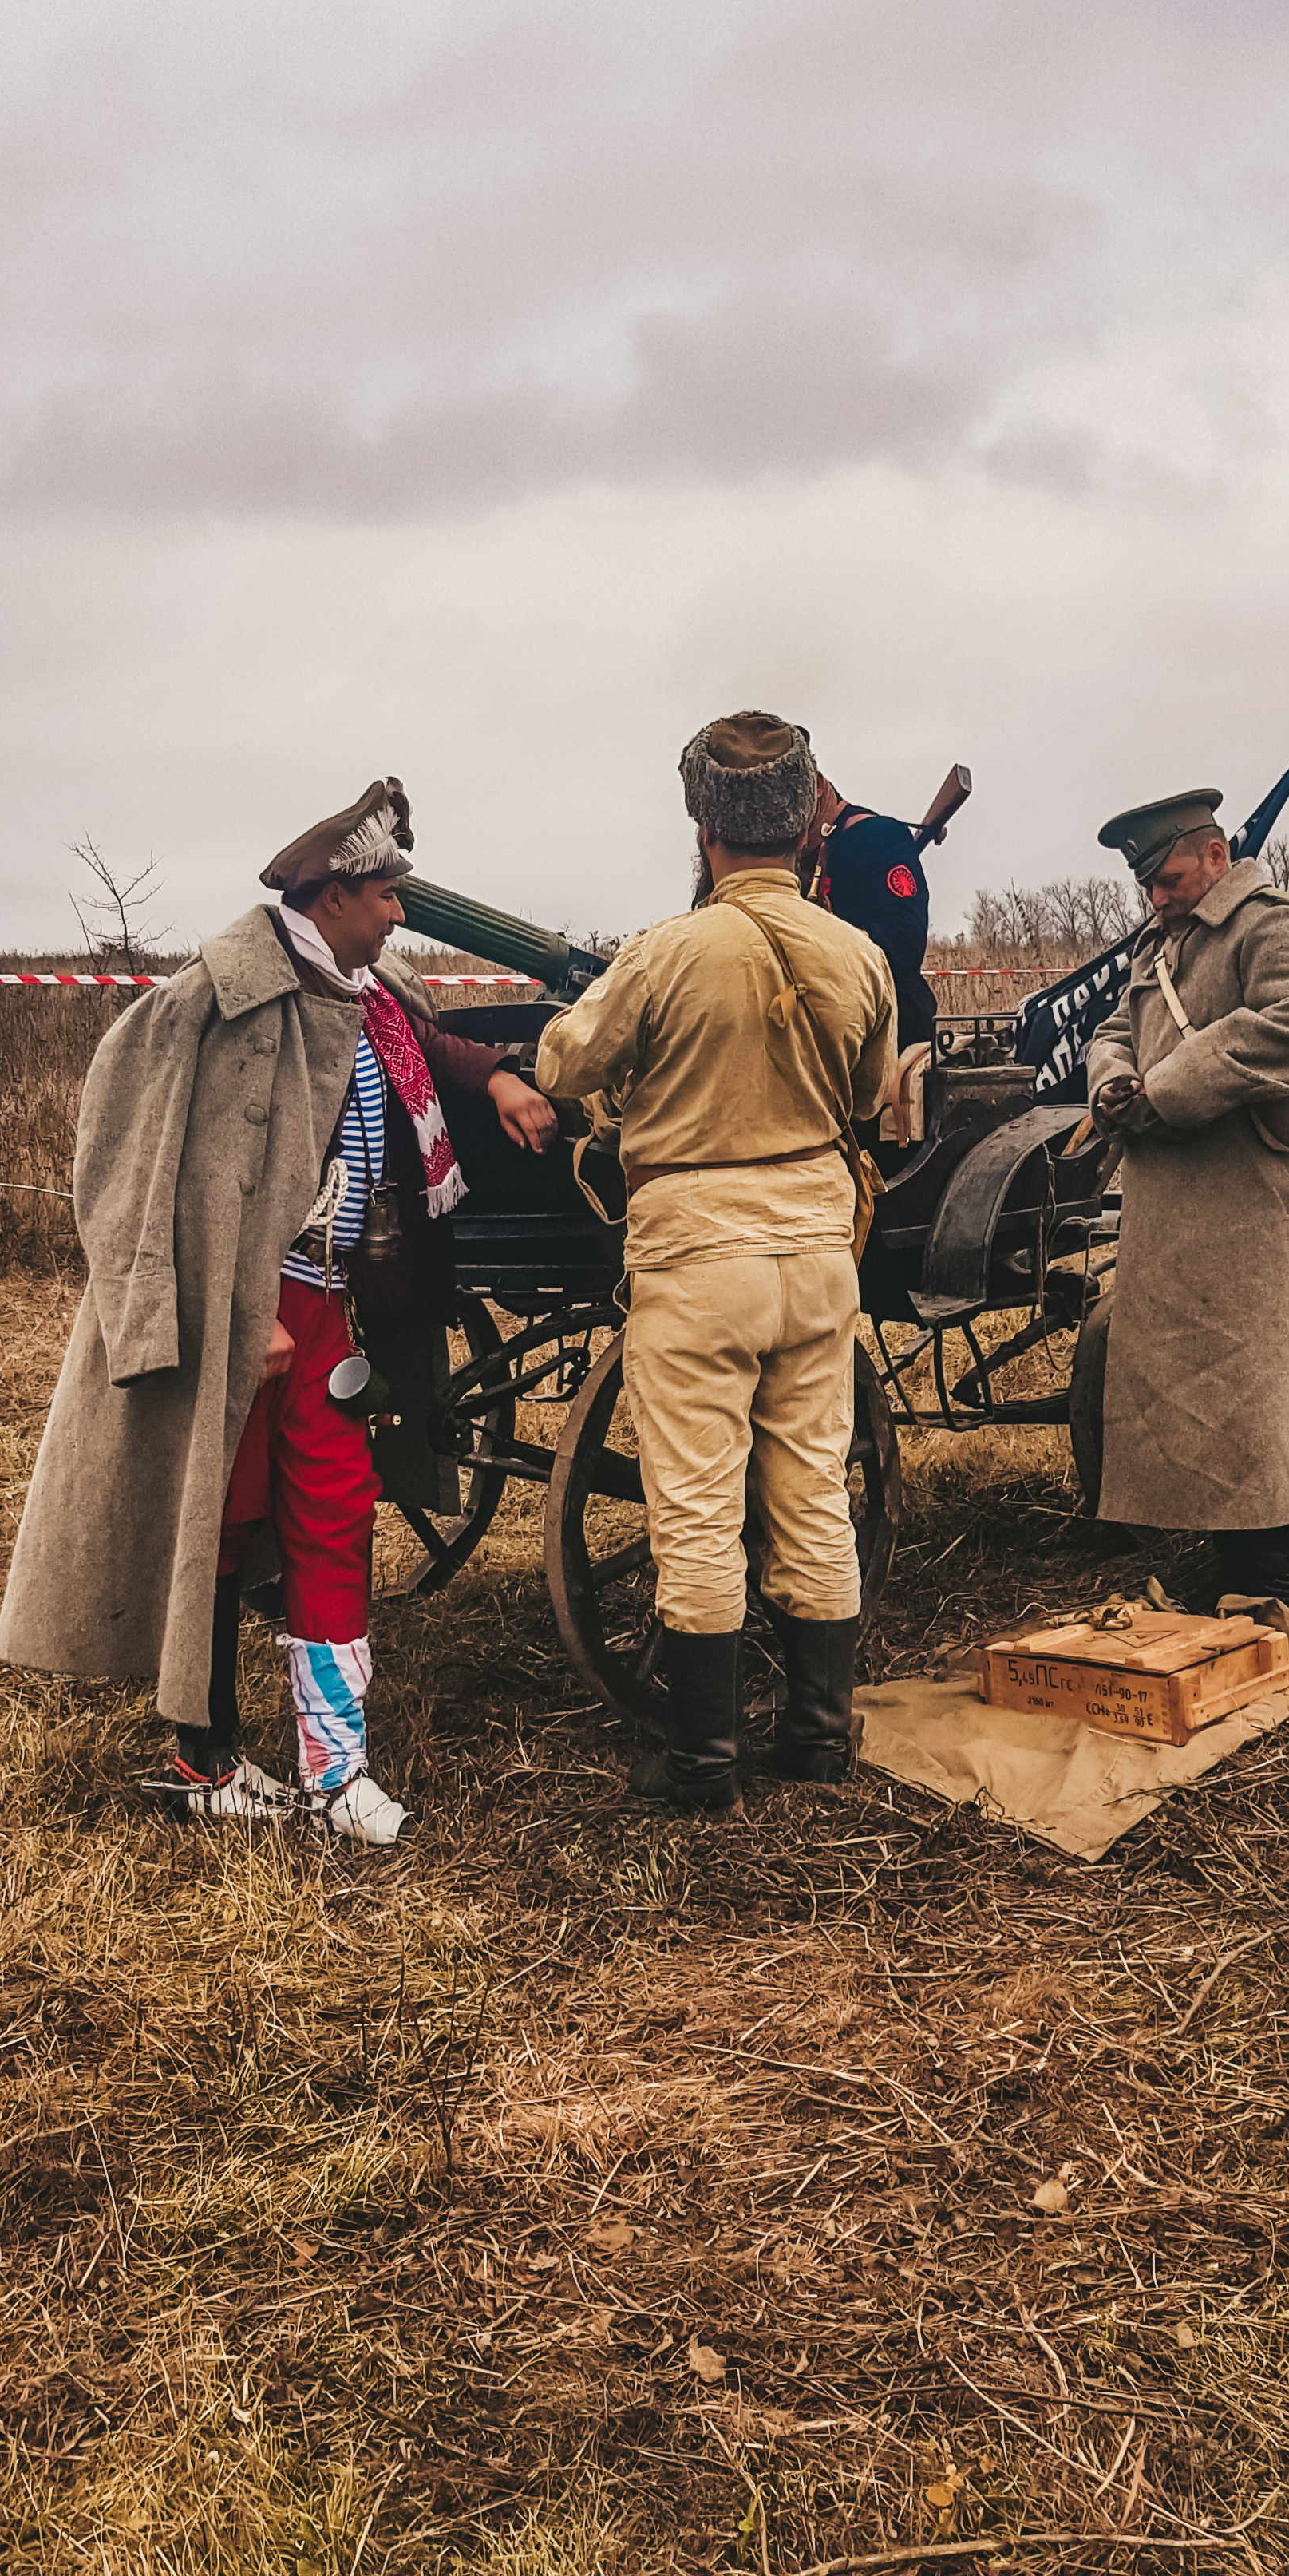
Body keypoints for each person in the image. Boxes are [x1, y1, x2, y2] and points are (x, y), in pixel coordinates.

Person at [0, 778, 555, 1842]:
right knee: (219, 1522)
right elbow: (123, 1163)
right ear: (334, 893)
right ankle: (200, 1757)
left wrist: (497, 1082)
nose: (400, 913)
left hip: (333, 1309)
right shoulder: (215, 1001)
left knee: (334, 1521)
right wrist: (213, 1309)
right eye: (387, 893)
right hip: (243, 1317)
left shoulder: (371, 1000)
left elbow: (420, 1051)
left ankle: (335, 1775)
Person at [534, 712, 896, 1812]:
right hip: (818, 1246)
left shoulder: (665, 952)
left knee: (694, 1503)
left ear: (707, 829)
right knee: (812, 1483)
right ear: (804, 826)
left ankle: (700, 1761)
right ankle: (819, 1735)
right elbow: (872, 1094)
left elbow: (564, 1061)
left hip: (698, 1254)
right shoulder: (857, 952)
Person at [1086, 786, 1289, 1618]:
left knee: (1262, 1388)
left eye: (1171, 876)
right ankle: (1231, 1560)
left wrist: (1171, 1087)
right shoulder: (1160, 941)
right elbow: (1114, 1029)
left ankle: (1279, 1578)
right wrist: (1116, 1080)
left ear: (1215, 856)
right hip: (1175, 1211)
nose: (1156, 896)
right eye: (1147, 885)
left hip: (1254, 1206)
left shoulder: (1270, 925)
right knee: (1201, 1396)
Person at [801, 777, 939, 1052]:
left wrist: (827, 926)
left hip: (889, 1040)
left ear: (816, 786)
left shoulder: (878, 837)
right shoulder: (788, 853)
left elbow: (904, 946)